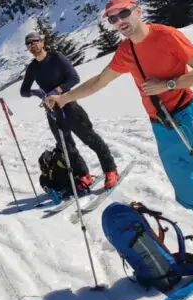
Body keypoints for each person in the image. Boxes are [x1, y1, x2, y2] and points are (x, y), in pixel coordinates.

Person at [44, 0, 193, 274]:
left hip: (189, 116)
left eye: (124, 13)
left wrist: (168, 84)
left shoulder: (167, 36)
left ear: (138, 10)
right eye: (113, 18)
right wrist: (64, 98)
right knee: (187, 190)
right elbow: (101, 80)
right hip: (162, 126)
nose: (119, 21)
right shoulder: (126, 51)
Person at [19, 30, 119, 191]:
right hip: (52, 110)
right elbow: (23, 91)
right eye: (29, 44)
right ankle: (83, 175)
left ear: (42, 42)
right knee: (66, 145)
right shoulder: (32, 67)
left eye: (35, 41)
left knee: (89, 138)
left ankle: (111, 170)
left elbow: (74, 78)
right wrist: (37, 93)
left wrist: (55, 91)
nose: (32, 45)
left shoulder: (56, 58)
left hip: (69, 104)